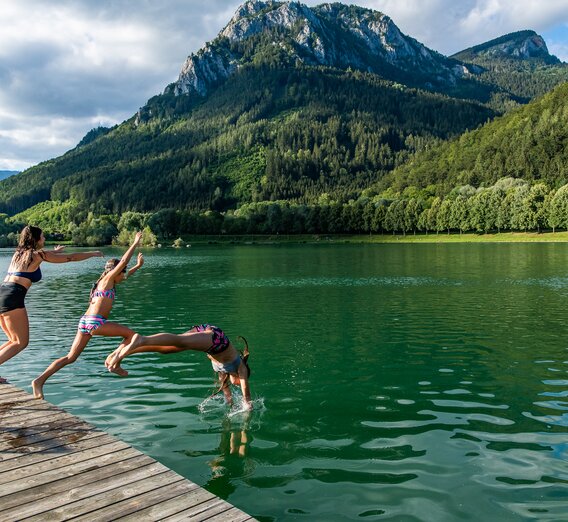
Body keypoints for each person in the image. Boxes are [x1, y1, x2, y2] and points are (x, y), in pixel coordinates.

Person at [31, 232, 144, 398]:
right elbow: (124, 262)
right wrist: (134, 243)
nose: (123, 276)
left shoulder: (103, 282)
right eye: (121, 272)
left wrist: (138, 266)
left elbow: (126, 274)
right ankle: (114, 362)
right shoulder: (108, 280)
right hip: (95, 323)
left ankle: (39, 381)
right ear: (115, 272)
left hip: (84, 322)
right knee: (132, 336)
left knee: (70, 357)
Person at [0, 225, 103, 384]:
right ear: (35, 239)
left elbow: (44, 255)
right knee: (21, 342)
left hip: (2, 293)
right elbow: (72, 257)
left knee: (13, 340)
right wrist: (93, 253)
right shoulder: (38, 255)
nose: (45, 239)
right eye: (43, 236)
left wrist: (56, 252)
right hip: (13, 297)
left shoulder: (19, 254)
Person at [105, 325, 253, 410]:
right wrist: (247, 405)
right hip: (216, 339)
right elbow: (246, 391)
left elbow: (226, 391)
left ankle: (123, 352)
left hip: (209, 340)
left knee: (166, 349)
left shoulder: (223, 372)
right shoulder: (240, 367)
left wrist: (230, 403)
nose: (238, 384)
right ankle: (142, 339)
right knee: (179, 341)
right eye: (239, 382)